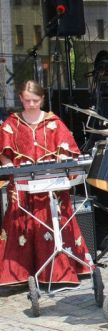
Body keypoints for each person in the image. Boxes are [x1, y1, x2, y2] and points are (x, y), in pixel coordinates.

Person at [0, 80, 92, 287]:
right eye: (27, 100)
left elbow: (67, 149)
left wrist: (62, 156)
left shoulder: (54, 121)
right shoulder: (12, 122)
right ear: (21, 99)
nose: (31, 104)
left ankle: (58, 272)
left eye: (35, 100)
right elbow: (4, 153)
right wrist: (7, 164)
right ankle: (19, 275)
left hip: (51, 184)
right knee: (19, 224)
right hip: (23, 183)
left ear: (42, 99)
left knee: (54, 221)